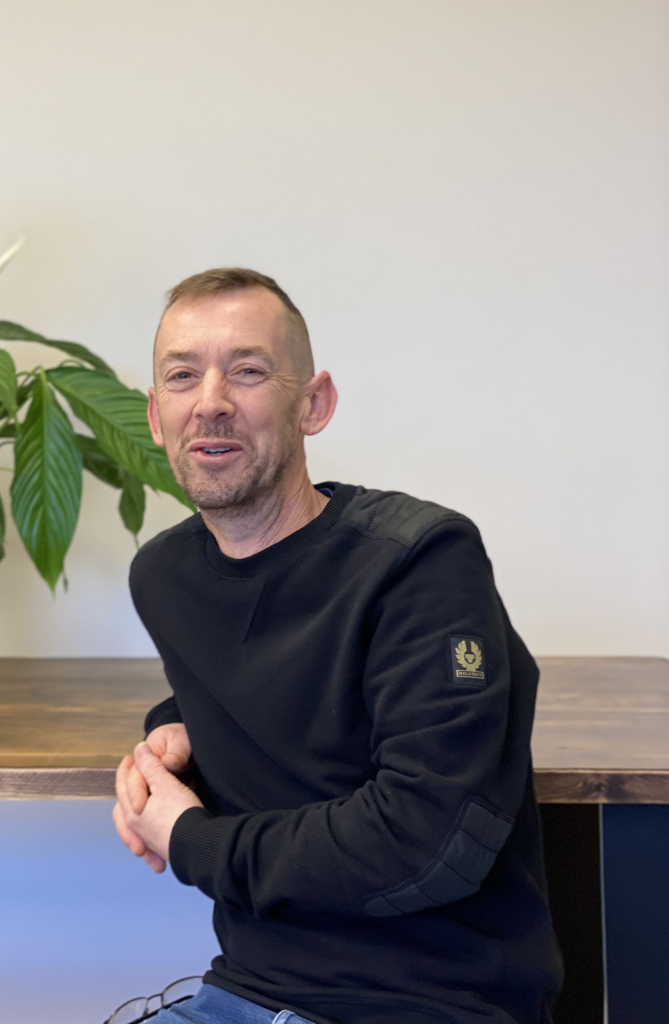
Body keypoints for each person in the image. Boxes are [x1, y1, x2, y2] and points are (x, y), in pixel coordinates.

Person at [113, 268, 562, 1024]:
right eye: (183, 376)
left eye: (248, 370)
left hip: (430, 1004)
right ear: (157, 416)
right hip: (245, 994)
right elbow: (264, 684)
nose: (211, 400)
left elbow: (427, 839)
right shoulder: (164, 576)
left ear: (312, 404)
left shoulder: (419, 561)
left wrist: (190, 841)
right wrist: (174, 728)